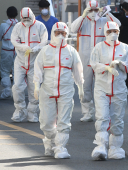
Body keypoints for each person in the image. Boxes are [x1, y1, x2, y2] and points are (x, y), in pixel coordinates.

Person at [34, 22, 84, 159]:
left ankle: (61, 147)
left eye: (63, 33)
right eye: (58, 33)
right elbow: (38, 68)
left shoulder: (71, 51)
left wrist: (80, 87)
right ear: (53, 33)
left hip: (66, 91)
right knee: (46, 122)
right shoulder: (45, 50)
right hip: (47, 91)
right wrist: (36, 86)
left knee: (64, 122)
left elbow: (78, 71)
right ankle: (50, 141)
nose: (60, 36)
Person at [90, 21, 128, 161]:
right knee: (102, 117)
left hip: (119, 89)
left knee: (117, 119)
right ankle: (101, 147)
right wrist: (106, 68)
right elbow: (93, 64)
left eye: (115, 31)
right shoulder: (98, 47)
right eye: (109, 31)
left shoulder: (125, 48)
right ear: (105, 32)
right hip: (102, 88)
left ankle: (115, 148)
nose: (113, 34)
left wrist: (121, 64)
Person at [71, 0, 121, 122]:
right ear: (87, 10)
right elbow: (73, 29)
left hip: (101, 59)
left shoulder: (104, 21)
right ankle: (87, 112)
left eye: (95, 10)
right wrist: (83, 16)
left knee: (102, 86)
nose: (93, 13)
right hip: (85, 58)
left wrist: (107, 13)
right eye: (90, 10)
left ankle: (102, 112)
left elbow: (118, 24)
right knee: (85, 85)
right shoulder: (83, 21)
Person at [10, 7, 48, 122]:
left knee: (34, 89)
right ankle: (20, 110)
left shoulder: (40, 26)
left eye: (28, 18)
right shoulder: (18, 27)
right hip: (20, 62)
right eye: (24, 18)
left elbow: (44, 40)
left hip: (34, 63)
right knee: (17, 87)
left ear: (32, 16)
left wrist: (36, 48)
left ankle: (32, 112)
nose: (26, 20)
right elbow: (14, 40)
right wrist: (24, 47)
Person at [0, 6, 18, 99]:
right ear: (17, 14)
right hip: (17, 52)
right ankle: (16, 92)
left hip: (6, 52)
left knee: (4, 71)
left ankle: (7, 90)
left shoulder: (3, 26)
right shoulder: (20, 25)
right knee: (16, 71)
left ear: (7, 14)